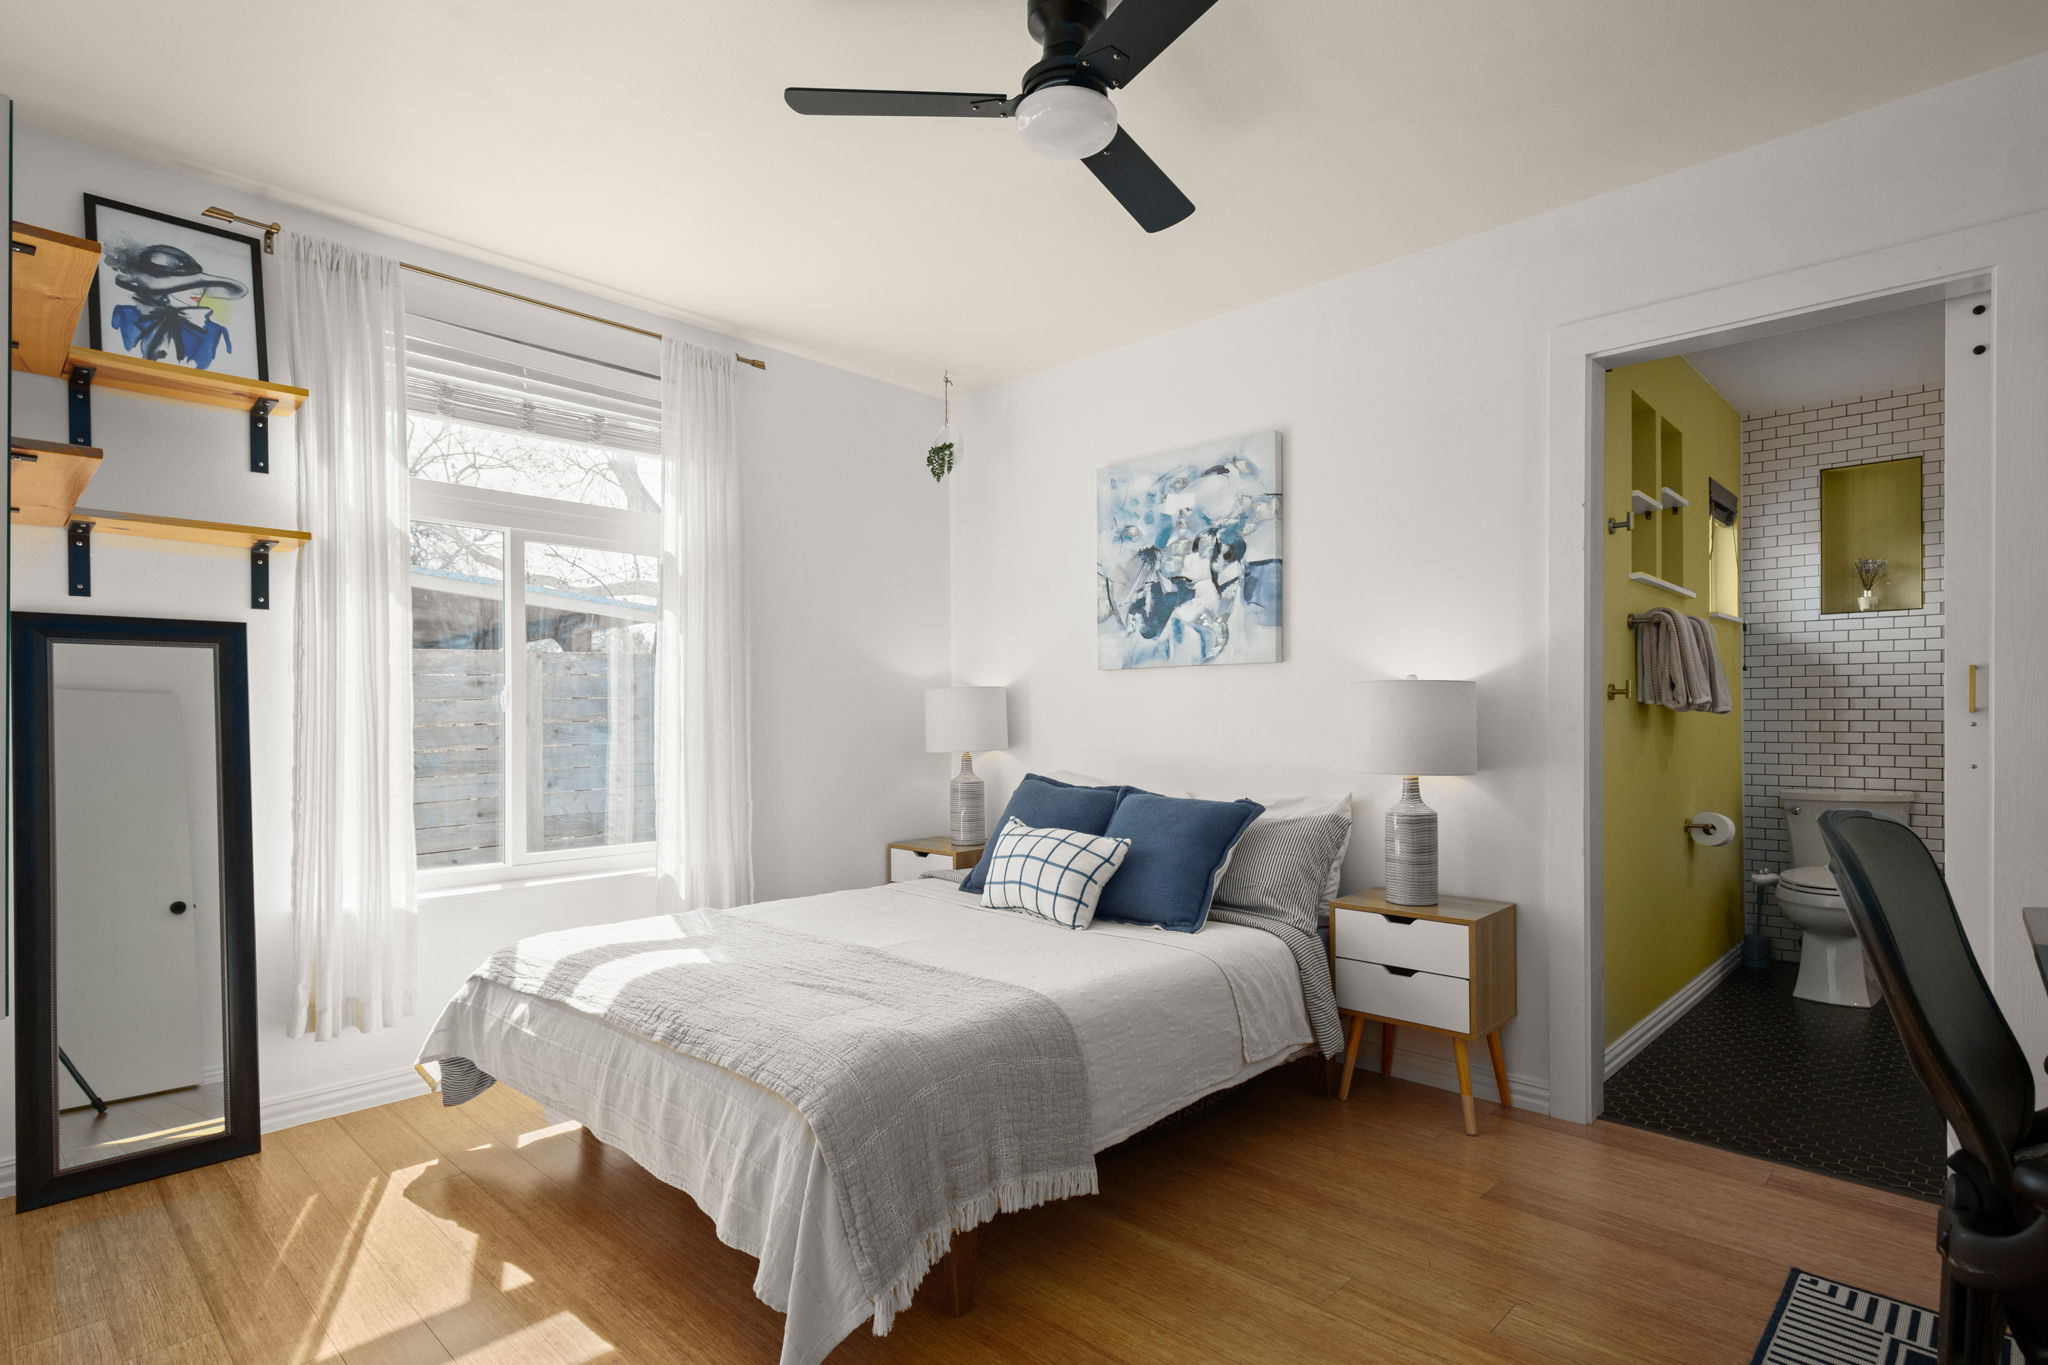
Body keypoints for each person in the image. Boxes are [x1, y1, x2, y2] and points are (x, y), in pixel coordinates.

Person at [105, 242, 246, 370]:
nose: (198, 291)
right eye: (188, 285)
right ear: (163, 289)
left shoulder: (216, 332)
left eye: (201, 285)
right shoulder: (124, 315)